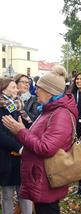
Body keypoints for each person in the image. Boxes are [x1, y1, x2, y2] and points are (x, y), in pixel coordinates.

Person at [2, 65, 78, 214]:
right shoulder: (48, 110)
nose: (34, 91)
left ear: (49, 91)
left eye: (38, 88)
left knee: (48, 210)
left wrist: (20, 131)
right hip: (41, 176)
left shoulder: (60, 114)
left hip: (47, 177)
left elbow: (46, 148)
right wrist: (22, 129)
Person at [0, 78, 33, 214]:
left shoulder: (14, 105)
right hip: (5, 156)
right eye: (13, 87)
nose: (17, 90)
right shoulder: (2, 107)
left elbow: (25, 124)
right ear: (3, 90)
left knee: (24, 193)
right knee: (7, 194)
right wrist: (18, 147)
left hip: (22, 155)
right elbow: (1, 134)